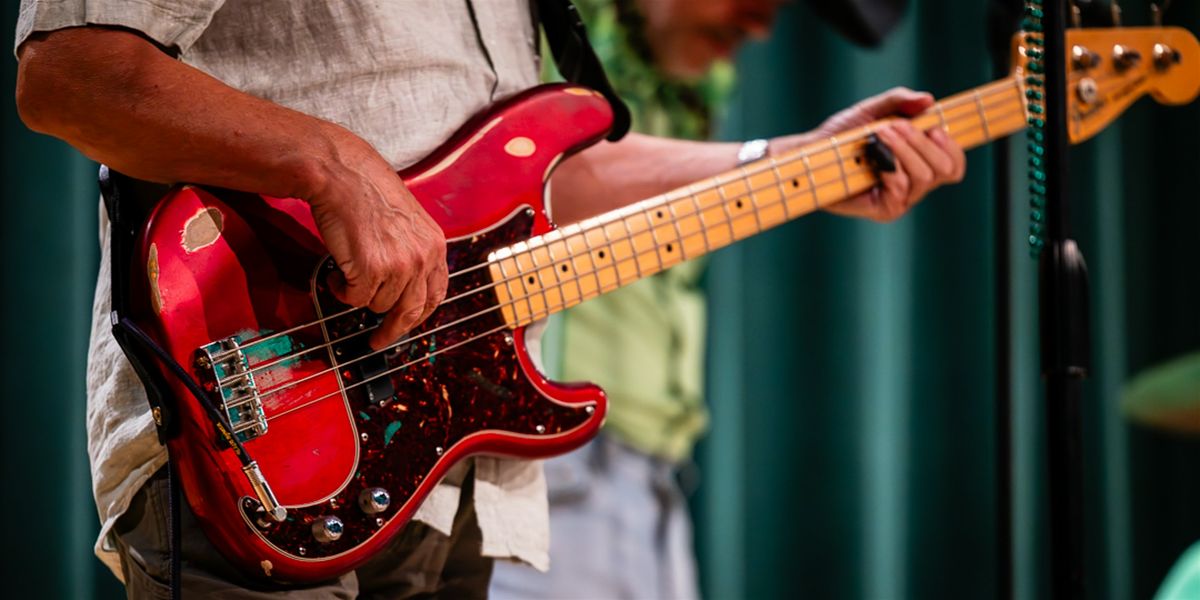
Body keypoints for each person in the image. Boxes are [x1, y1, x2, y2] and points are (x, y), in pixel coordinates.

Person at [14, 0, 964, 597]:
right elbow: (69, 71)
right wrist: (330, 159)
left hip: (456, 494)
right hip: (264, 444)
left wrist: (793, 162)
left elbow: (541, 175)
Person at [491, 1, 940, 598]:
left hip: (653, 481)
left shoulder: (698, 81)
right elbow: (531, 180)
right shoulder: (530, 25)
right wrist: (778, 161)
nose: (761, 25)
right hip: (550, 470)